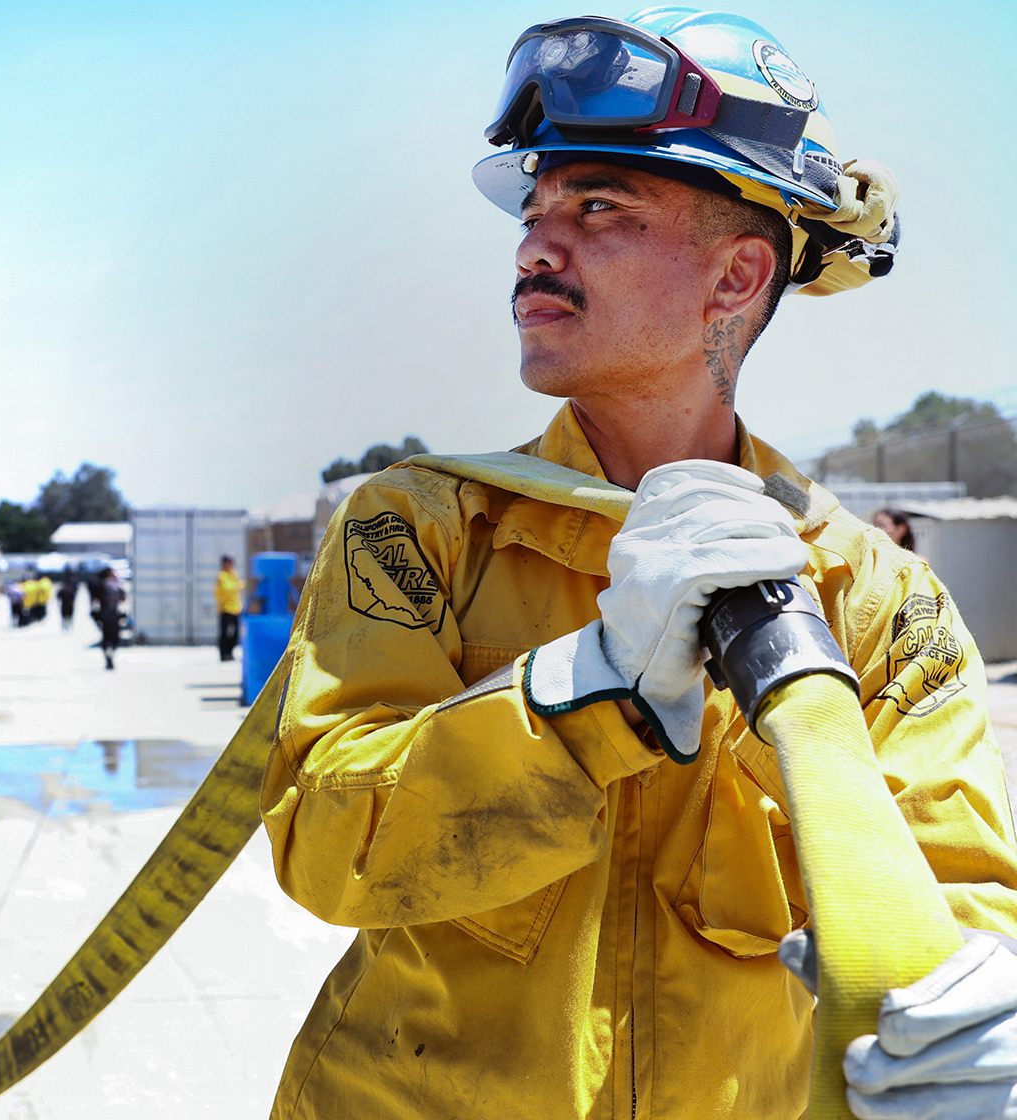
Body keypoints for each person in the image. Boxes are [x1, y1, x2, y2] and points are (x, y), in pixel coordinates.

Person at [260, 11, 1017, 1119]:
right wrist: (585, 688)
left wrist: (982, 1000)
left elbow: (960, 897)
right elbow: (326, 848)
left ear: (736, 274)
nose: (533, 245)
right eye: (533, 209)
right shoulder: (417, 526)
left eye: (597, 206)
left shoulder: (873, 596)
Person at [215, 555, 244, 662]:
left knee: (236, 633)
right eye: (227, 562)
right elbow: (227, 589)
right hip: (225, 608)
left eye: (230, 562)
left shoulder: (233, 574)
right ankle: (224, 654)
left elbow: (241, 584)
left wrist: (237, 585)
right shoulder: (222, 576)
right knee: (225, 633)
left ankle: (230, 652)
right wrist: (237, 586)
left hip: (236, 608)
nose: (229, 565)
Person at [96, 570, 123, 670]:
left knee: (106, 639)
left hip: (104, 616)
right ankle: (110, 655)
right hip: (113, 615)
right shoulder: (115, 585)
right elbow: (123, 597)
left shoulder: (101, 586)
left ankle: (108, 656)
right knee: (114, 639)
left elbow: (95, 601)